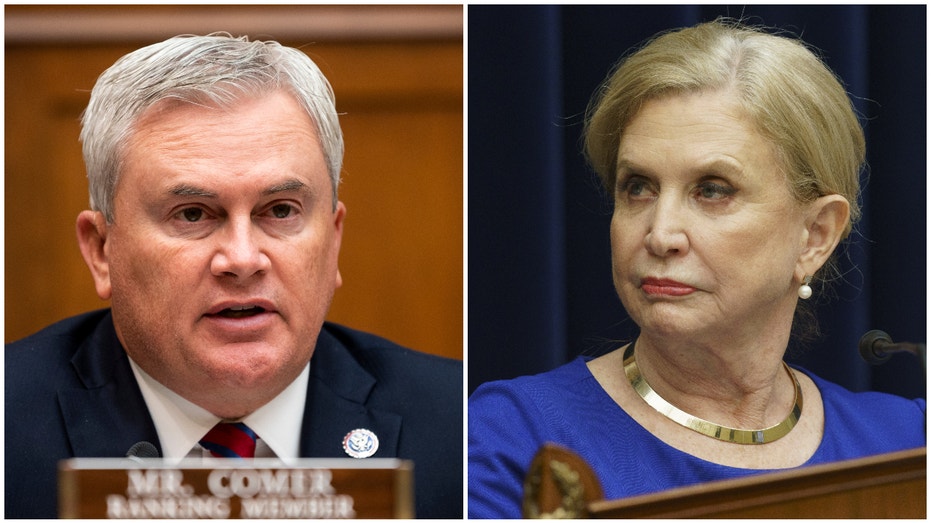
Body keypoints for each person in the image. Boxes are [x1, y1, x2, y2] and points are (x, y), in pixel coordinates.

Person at [468, 19, 925, 518]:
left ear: (814, 236)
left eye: (712, 190)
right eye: (637, 186)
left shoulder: (906, 444)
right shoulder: (511, 436)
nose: (660, 234)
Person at [5, 33, 462, 519]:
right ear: (101, 250)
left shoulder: (456, 429)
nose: (243, 259)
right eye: (192, 215)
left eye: (280, 210)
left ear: (333, 241)